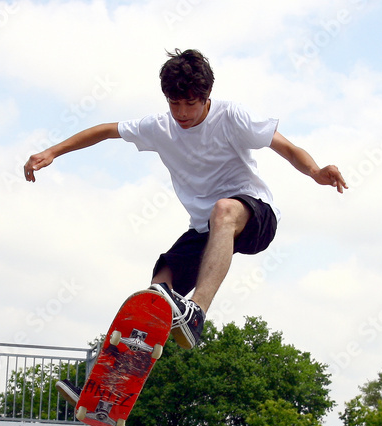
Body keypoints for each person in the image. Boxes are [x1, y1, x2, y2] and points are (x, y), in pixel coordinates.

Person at [24, 49, 346, 402]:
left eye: (190, 104)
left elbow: (286, 147)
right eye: (174, 104)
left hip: (256, 214)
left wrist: (315, 171)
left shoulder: (232, 116)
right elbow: (105, 131)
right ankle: (105, 385)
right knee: (154, 296)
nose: (182, 114)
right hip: (205, 230)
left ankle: (197, 313)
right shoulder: (159, 127)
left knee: (223, 209)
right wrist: (52, 151)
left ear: (207, 97)